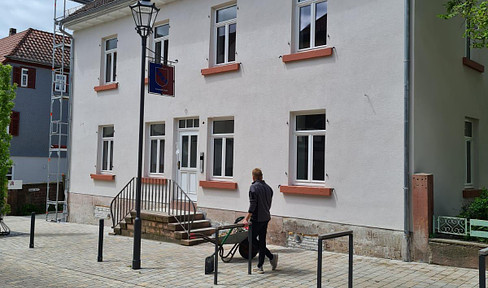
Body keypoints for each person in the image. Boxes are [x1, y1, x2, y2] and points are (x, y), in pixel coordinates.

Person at [243, 168, 278, 274]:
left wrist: (246, 218)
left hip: (257, 219)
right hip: (266, 217)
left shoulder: (253, 188)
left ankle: (269, 258)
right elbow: (269, 204)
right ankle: (262, 264)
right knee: (262, 241)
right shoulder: (269, 188)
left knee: (251, 239)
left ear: (253, 177)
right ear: (261, 176)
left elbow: (253, 204)